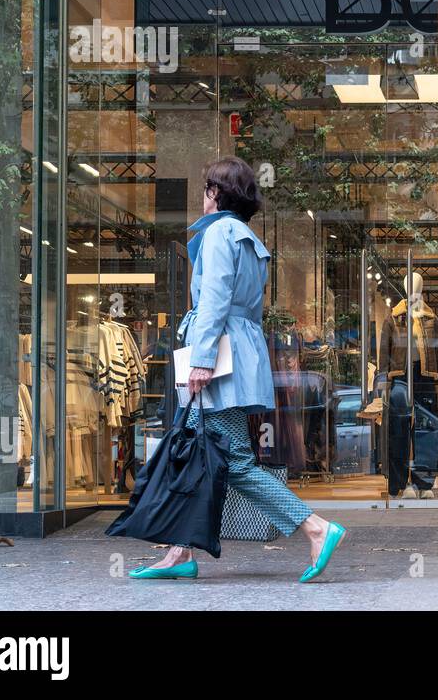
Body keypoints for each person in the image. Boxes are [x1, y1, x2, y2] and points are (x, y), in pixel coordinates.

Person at [130, 156, 346, 582]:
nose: (202, 195)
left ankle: (316, 527)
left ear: (217, 193)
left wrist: (202, 360)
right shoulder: (248, 238)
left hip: (217, 362)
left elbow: (213, 302)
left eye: (207, 187)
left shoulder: (218, 235)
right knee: (195, 456)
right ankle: (179, 554)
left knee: (234, 462)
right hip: (239, 356)